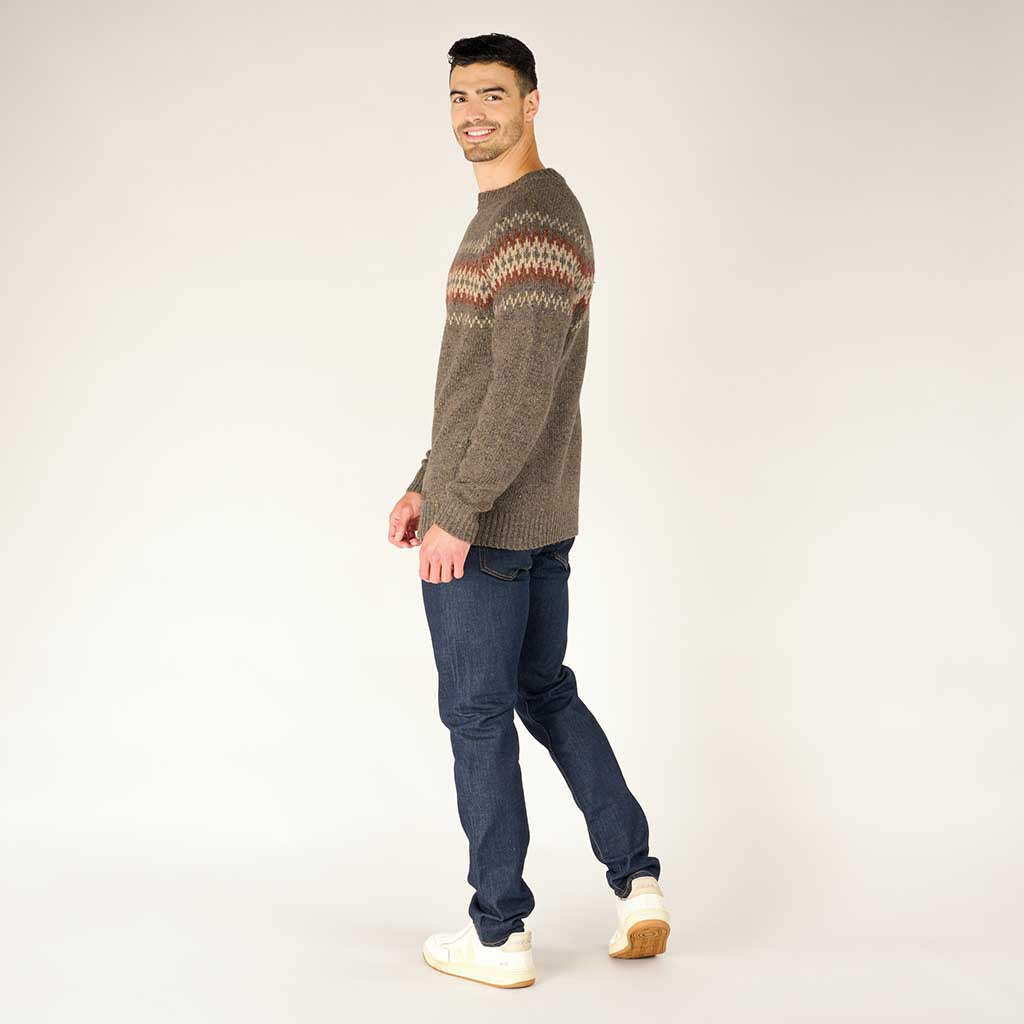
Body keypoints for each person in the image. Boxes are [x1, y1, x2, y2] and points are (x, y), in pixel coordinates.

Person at [387, 33, 670, 989]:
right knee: (544, 691)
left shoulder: (533, 218)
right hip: (534, 513)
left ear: (532, 102)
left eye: (493, 95)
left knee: (478, 715)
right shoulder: (511, 216)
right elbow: (478, 384)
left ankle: (499, 932)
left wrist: (458, 509)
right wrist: (426, 479)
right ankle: (637, 882)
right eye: (459, 96)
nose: (472, 114)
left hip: (494, 526)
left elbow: (520, 389)